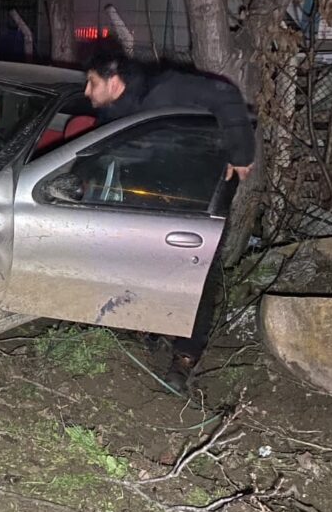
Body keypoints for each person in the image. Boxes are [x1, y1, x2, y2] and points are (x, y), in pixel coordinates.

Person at [82, 50, 255, 391]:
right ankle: (149, 325)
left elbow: (225, 96)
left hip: (200, 190)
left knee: (194, 268)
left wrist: (240, 154)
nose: (86, 91)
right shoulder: (115, 109)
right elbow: (96, 149)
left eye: (92, 83)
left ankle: (185, 355)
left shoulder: (165, 88)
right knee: (145, 260)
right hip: (153, 191)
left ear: (114, 82)